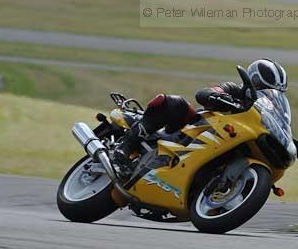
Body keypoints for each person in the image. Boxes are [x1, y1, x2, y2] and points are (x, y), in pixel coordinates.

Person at [113, 59, 288, 168]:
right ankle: (124, 148)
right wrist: (217, 96)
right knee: (177, 104)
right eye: (263, 87)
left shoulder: (266, 110)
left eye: (271, 92)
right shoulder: (234, 89)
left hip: (228, 142)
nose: (264, 93)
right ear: (253, 80)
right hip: (191, 130)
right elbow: (204, 93)